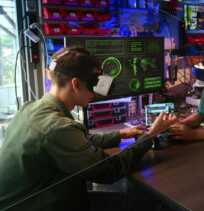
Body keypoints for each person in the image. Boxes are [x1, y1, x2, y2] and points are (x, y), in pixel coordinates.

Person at [0, 47, 174, 211]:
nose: (96, 92)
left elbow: (78, 141)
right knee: (140, 203)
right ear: (76, 84)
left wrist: (121, 134)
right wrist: (151, 135)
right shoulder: (58, 127)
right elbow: (109, 171)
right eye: (94, 84)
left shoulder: (31, 108)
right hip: (39, 206)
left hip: (36, 200)